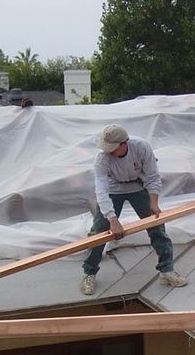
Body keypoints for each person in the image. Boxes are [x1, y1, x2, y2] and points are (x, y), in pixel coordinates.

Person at [80, 124, 188, 295]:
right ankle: (89, 273)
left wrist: (153, 202)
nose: (109, 152)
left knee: (157, 226)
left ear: (125, 143)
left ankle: (166, 270)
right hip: (114, 189)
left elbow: (153, 175)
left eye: (113, 148)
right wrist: (113, 220)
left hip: (138, 186)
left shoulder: (141, 147)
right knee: (99, 231)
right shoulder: (102, 159)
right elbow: (101, 191)